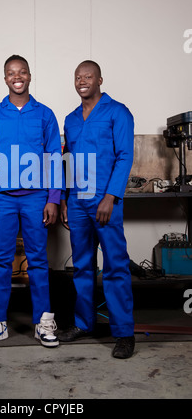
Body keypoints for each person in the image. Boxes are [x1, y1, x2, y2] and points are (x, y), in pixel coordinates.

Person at [0, 55, 61, 348]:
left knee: (38, 260)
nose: (17, 76)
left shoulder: (45, 114)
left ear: (29, 75)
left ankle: (43, 322)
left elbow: (53, 158)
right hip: (3, 199)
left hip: (37, 198)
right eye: (11, 73)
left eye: (22, 71)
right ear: (5, 78)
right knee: (0, 260)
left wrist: (53, 198)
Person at [59, 60, 135, 359]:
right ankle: (83, 324)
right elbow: (68, 160)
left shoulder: (118, 112)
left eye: (88, 76)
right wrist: (66, 198)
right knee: (82, 265)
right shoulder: (71, 118)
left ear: (99, 79)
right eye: (78, 77)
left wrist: (111, 196)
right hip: (77, 200)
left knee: (115, 266)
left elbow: (125, 155)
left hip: (105, 200)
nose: (82, 80)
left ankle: (124, 333)